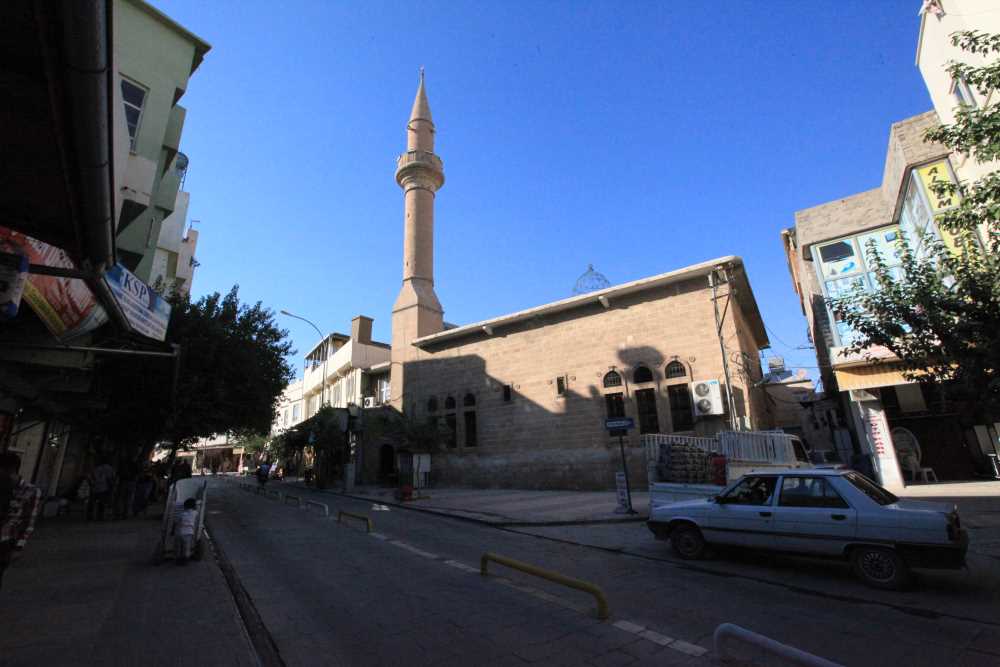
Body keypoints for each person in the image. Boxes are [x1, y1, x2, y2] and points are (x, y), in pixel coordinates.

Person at [0, 452, 41, 592]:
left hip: (6, 542)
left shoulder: (30, 491)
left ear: (10, 470)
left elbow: (29, 521)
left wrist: (19, 547)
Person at [173, 498, 198, 565]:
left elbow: (176, 522)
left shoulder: (181, 514)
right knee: (186, 547)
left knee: (178, 547)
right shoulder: (195, 513)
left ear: (185, 506)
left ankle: (177, 559)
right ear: (194, 506)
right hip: (188, 533)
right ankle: (185, 559)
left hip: (179, 532)